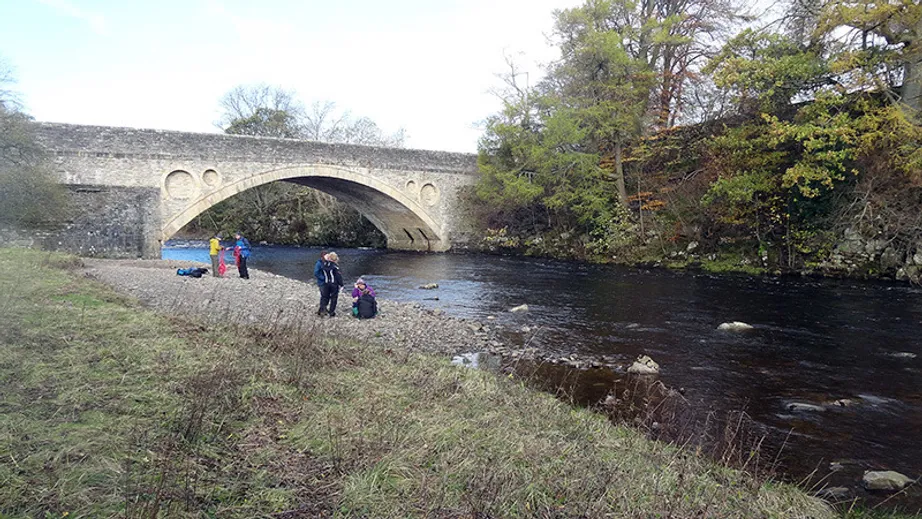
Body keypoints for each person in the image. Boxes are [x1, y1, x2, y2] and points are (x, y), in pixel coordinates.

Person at [318, 251, 343, 317]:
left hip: (325, 283)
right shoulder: (335, 267)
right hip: (333, 284)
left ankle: (322, 310)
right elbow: (338, 276)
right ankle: (331, 312)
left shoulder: (324, 265)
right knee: (334, 298)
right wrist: (341, 284)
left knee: (325, 297)